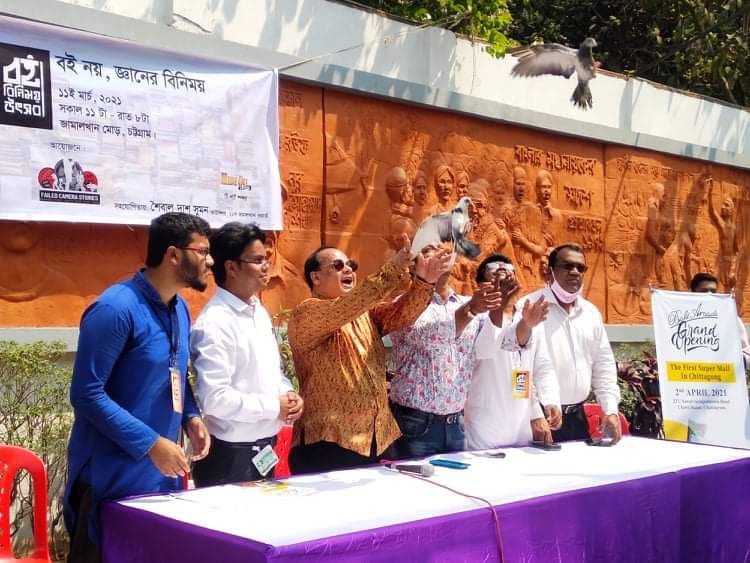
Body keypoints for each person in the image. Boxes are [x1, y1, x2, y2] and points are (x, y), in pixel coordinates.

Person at [64, 212, 213, 563]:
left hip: (159, 481)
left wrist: (191, 416)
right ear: (173, 254)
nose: (210, 261)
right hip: (109, 481)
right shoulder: (115, 309)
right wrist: (149, 443)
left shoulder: (180, 309)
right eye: (203, 251)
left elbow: (174, 373)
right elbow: (86, 393)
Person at [287, 240, 452, 474]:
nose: (348, 269)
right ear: (315, 277)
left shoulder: (366, 315)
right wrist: (395, 267)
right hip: (328, 443)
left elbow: (403, 313)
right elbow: (350, 305)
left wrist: (425, 282)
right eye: (338, 265)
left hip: (380, 439)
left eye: (351, 265)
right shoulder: (306, 313)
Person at [189, 222, 304, 487]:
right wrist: (274, 406)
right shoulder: (214, 323)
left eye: (267, 259)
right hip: (229, 458)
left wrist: (288, 394)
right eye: (257, 260)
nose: (266, 267)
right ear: (231, 267)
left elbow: (271, 372)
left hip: (266, 448)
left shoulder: (258, 311)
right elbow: (215, 399)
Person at [388, 245, 506, 457]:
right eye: (429, 251)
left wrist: (497, 303)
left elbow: (489, 347)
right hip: (415, 423)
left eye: (443, 250)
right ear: (414, 266)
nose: (440, 254)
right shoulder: (403, 305)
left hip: (456, 423)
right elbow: (432, 338)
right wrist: (471, 310)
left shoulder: (465, 303)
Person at [515, 244, 621, 443]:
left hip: (577, 419)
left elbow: (603, 364)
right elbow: (517, 369)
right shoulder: (528, 307)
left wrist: (610, 408)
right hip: (540, 420)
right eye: (567, 266)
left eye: (580, 268)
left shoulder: (590, 313)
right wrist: (533, 413)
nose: (575, 272)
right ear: (550, 271)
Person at [465, 255, 562, 449]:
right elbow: (485, 351)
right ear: (481, 284)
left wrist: (544, 405)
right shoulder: (473, 316)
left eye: (509, 271)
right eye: (495, 270)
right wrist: (500, 308)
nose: (504, 273)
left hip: (521, 427)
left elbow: (537, 367)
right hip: (484, 428)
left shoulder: (528, 314)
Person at [690, 271, 750, 368]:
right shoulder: (680, 320)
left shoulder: (731, 320)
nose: (709, 294)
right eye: (704, 291)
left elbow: (747, 356)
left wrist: (727, 358)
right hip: (690, 374)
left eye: (713, 291)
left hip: (722, 374)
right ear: (693, 292)